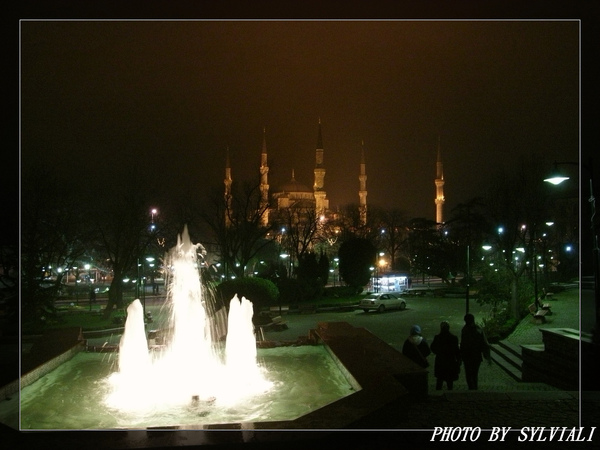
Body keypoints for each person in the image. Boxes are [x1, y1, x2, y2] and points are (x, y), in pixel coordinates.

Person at [460, 313, 491, 390]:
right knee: (474, 373)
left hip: (467, 356)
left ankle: (471, 387)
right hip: (476, 355)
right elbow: (484, 343)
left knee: (468, 373)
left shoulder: (465, 329)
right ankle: (474, 388)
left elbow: (463, 344)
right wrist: (487, 355)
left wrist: (460, 356)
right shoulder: (478, 329)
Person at [430, 321, 461, 390]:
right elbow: (457, 351)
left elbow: (432, 348)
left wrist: (438, 352)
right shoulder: (453, 338)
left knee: (439, 381)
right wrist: (459, 361)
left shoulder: (437, 337)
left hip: (440, 362)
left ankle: (438, 395)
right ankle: (450, 394)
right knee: (450, 382)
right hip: (450, 362)